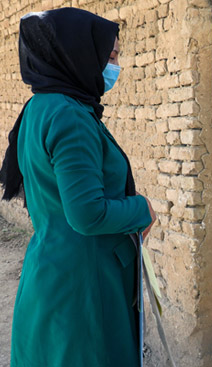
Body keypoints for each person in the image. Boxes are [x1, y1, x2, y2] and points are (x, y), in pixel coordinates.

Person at [0, 8, 156, 366]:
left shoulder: (41, 106)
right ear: (77, 53)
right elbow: (88, 214)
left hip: (53, 268)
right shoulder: (69, 116)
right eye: (111, 55)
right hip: (84, 288)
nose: (115, 65)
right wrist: (141, 209)